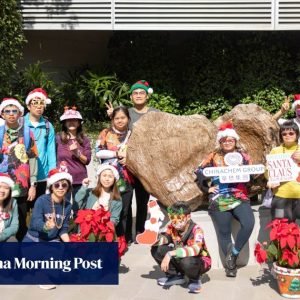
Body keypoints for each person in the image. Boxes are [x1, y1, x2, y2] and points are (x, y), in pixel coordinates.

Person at [196, 121, 255, 278]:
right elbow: (198, 172)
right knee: (224, 231)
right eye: (224, 140)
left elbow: (252, 175)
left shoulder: (244, 156)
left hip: (240, 196)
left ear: (235, 141)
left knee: (248, 224)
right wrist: (206, 188)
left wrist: (246, 173)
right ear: (220, 142)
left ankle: (233, 254)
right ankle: (230, 265)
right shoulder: (213, 156)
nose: (227, 142)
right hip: (219, 197)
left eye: (230, 140)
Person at [106, 80, 159, 240]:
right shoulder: (126, 113)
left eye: (141, 93)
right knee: (126, 202)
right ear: (131, 96)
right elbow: (116, 132)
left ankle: (141, 233)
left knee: (143, 201)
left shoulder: (155, 113)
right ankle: (126, 235)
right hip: (126, 166)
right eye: (135, 93)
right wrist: (110, 117)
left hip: (146, 165)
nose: (138, 96)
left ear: (147, 95)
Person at [151, 201, 211, 294]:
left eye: (179, 218)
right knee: (157, 249)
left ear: (188, 217)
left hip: (198, 261)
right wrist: (155, 240)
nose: (175, 222)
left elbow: (195, 250)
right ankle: (176, 276)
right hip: (180, 257)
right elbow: (166, 237)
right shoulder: (172, 227)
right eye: (172, 218)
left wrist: (170, 254)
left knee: (187, 261)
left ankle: (195, 279)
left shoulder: (197, 229)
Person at [0, 98, 38, 241]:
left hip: (21, 187)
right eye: (7, 111)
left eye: (14, 111)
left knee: (21, 224)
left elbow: (33, 159)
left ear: (20, 113)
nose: (11, 114)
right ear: (2, 114)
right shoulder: (0, 133)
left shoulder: (28, 134)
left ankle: (19, 258)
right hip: (2, 187)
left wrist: (33, 185)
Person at [95, 106, 134, 243]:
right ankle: (108, 237)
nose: (120, 120)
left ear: (128, 119)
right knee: (109, 207)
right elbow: (98, 152)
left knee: (125, 209)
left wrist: (129, 158)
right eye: (116, 118)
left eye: (123, 117)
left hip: (127, 177)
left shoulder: (133, 135)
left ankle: (125, 239)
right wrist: (116, 154)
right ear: (112, 119)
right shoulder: (105, 133)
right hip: (107, 178)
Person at [24, 88, 56, 209]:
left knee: (40, 209)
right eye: (35, 103)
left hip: (42, 174)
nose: (38, 107)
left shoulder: (48, 126)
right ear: (28, 106)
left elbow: (51, 150)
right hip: (23, 174)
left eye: (41, 104)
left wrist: (52, 171)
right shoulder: (21, 123)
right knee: (22, 210)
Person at [23, 168, 72, 243]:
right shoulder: (42, 200)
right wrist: (46, 226)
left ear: (68, 187)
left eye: (64, 185)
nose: (60, 187)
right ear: (51, 187)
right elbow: (35, 223)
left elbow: (63, 230)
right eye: (56, 185)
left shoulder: (68, 205)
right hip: (34, 239)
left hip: (52, 240)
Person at [266, 121, 300, 221]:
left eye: (291, 133)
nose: (287, 135)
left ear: (297, 134)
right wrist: (270, 179)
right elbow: (268, 170)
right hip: (281, 196)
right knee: (281, 228)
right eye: (284, 134)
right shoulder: (275, 151)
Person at [56, 106, 91, 200]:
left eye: (75, 120)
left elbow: (87, 161)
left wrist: (77, 153)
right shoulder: (57, 139)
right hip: (62, 180)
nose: (71, 122)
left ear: (79, 123)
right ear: (64, 123)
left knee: (79, 209)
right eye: (68, 120)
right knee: (63, 208)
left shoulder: (85, 140)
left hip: (80, 179)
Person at [0, 173, 19, 242]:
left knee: (13, 241)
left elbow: (14, 226)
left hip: (4, 237)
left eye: (6, 188)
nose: (2, 190)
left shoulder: (13, 202)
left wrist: (1, 236)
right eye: (0, 186)